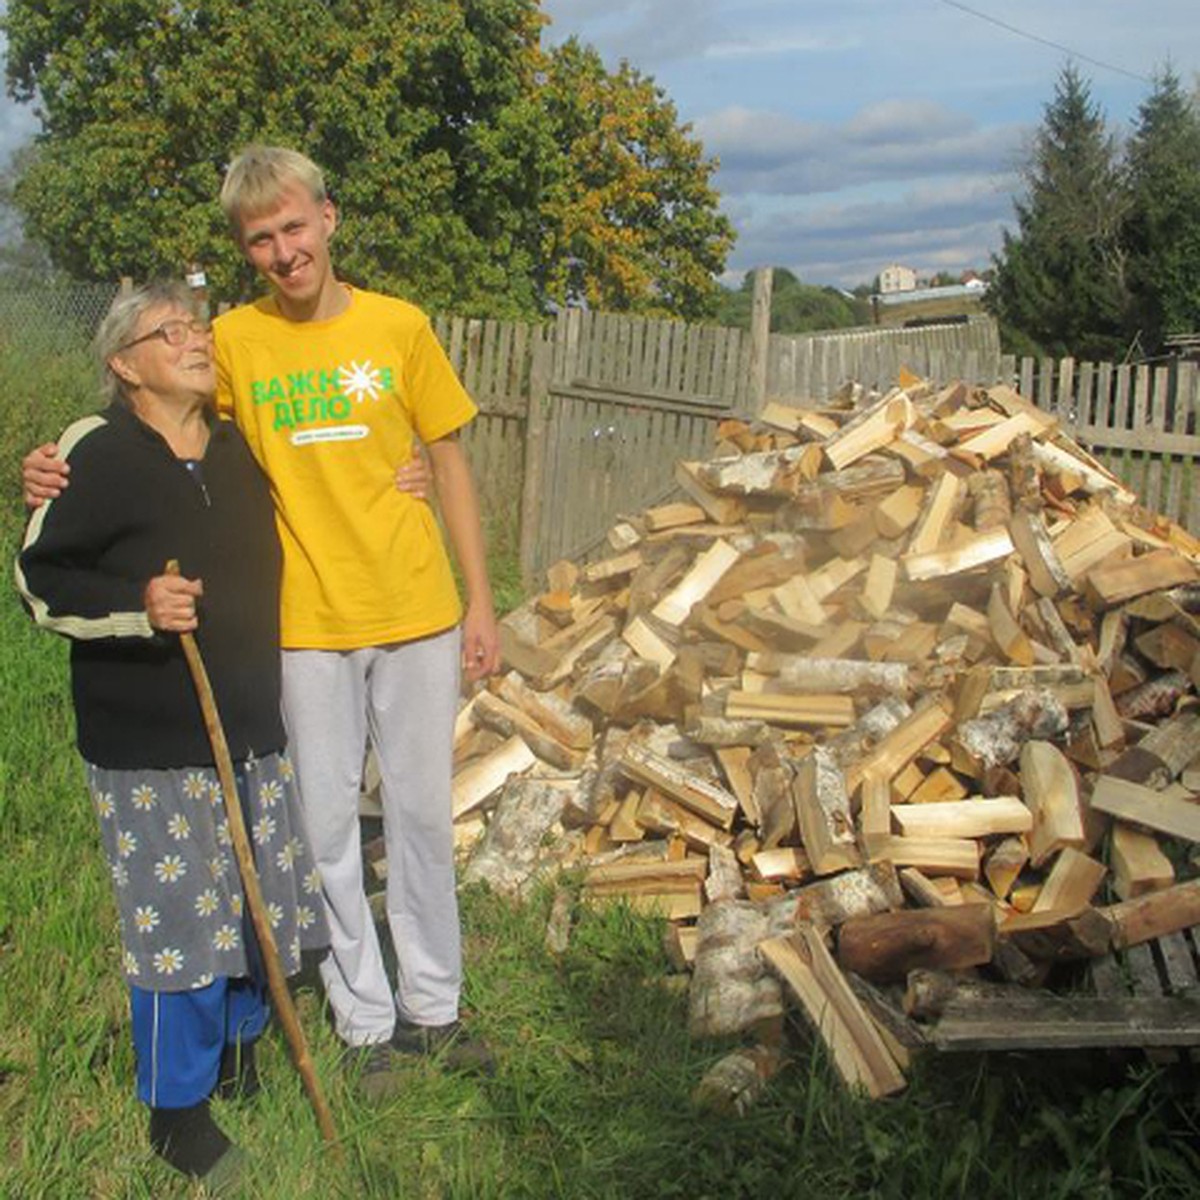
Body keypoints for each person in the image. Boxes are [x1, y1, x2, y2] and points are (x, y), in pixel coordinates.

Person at [25, 144, 502, 1091]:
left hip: (416, 609)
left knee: (415, 815)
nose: (285, 252)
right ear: (247, 253)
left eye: (294, 227)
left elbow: (445, 459)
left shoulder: (400, 327)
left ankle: (436, 1009)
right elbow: (164, 423)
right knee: (325, 826)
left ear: (329, 219)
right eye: (261, 240)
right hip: (305, 625)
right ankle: (365, 1022)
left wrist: (480, 599)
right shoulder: (237, 341)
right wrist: (57, 464)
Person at [16, 281, 330, 1190]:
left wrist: (408, 472)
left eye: (197, 326)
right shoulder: (96, 452)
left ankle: (239, 1057)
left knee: (252, 905)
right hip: (149, 740)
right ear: (124, 363)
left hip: (251, 725)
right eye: (171, 331)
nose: (197, 340)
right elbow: (42, 583)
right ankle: (176, 1112)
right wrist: (137, 609)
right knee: (178, 927)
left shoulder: (237, 446)